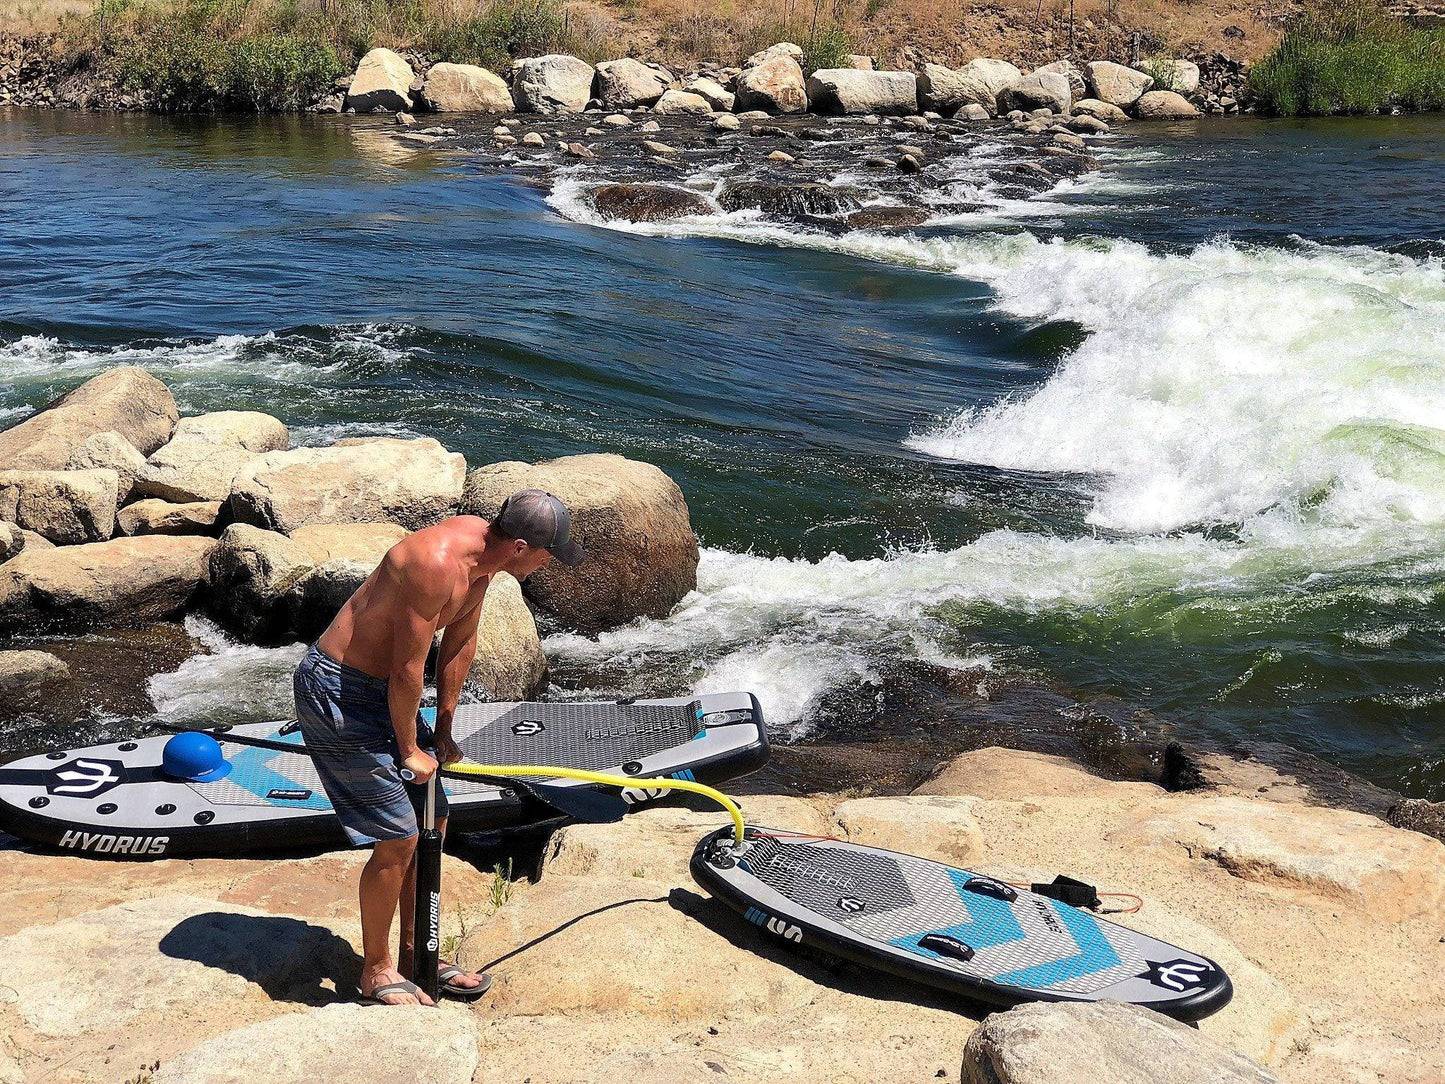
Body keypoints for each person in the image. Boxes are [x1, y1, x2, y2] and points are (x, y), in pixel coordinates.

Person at [293, 489, 584, 1006]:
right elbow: (408, 668)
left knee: (435, 820)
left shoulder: (485, 561)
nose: (549, 564)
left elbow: (460, 642)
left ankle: (416, 955)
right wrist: (410, 749)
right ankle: (377, 970)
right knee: (400, 837)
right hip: (339, 689)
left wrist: (444, 729)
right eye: (546, 554)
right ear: (519, 546)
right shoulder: (435, 562)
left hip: (384, 693)